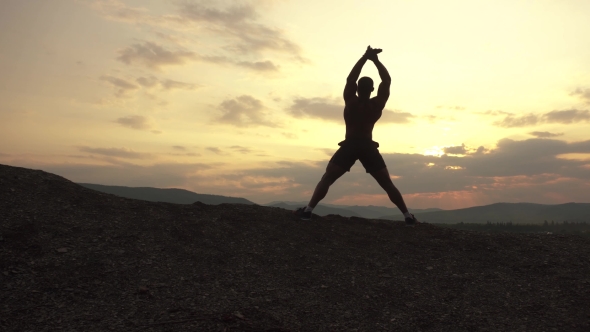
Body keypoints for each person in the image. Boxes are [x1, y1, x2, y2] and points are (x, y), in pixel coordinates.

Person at [294, 46, 419, 226]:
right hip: (367, 146)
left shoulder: (351, 102)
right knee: (387, 183)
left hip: (350, 145)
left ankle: (307, 211)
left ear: (357, 88)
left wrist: (364, 58)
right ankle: (407, 216)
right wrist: (374, 60)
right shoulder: (376, 104)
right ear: (373, 89)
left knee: (327, 178)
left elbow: (350, 78)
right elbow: (387, 80)